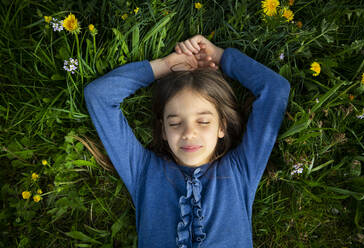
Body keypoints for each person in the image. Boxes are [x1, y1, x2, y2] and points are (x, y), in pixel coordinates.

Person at [82, 34, 290, 248]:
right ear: (162, 130)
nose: (189, 133)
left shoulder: (241, 170)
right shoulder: (143, 171)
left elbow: (275, 90)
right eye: (174, 123)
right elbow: (100, 96)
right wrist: (165, 65)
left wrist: (221, 56)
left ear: (222, 127)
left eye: (203, 121)